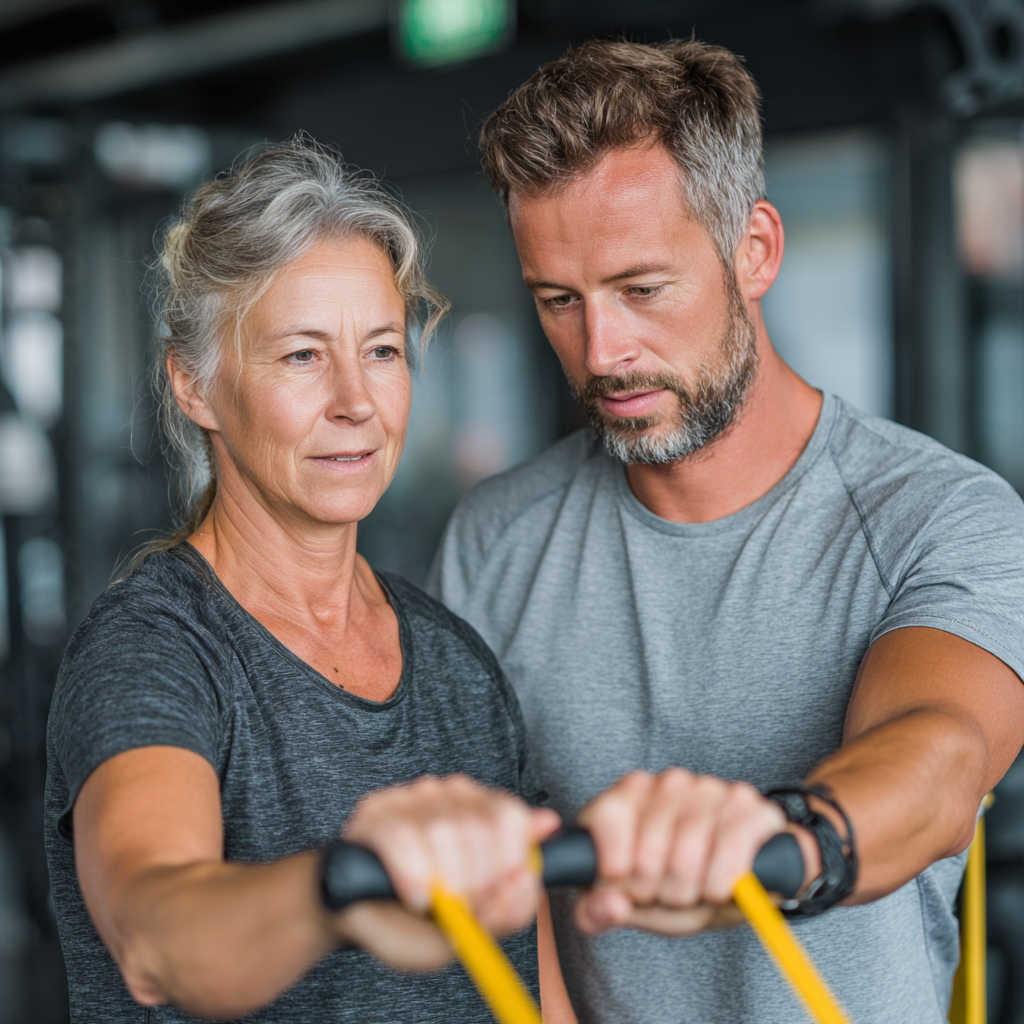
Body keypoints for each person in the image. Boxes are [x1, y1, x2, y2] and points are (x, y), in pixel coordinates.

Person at [428, 38, 1024, 1024]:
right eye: (558, 302)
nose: (603, 349)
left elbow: (939, 751)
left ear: (754, 250)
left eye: (641, 288)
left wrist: (778, 837)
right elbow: (500, 877)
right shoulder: (495, 540)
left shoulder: (938, 517)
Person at [43, 138, 578, 1023]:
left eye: (380, 351)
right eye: (301, 355)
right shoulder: (154, 651)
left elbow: (536, 989)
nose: (355, 401)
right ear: (195, 385)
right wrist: (348, 883)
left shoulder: (454, 660)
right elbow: (157, 936)